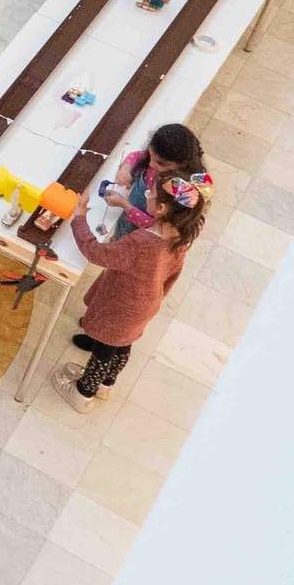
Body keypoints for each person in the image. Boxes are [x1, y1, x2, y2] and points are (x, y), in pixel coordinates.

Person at [35, 165, 208, 399]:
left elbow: (95, 252)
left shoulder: (141, 242)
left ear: (161, 208)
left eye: (150, 194)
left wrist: (79, 219)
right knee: (122, 345)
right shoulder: (180, 238)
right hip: (145, 305)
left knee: (105, 352)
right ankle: (106, 384)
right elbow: (170, 278)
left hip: (120, 307)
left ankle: (83, 392)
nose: (147, 194)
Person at [115, 123, 206, 233]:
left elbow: (155, 226)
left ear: (182, 164)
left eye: (161, 163)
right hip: (130, 214)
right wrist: (125, 168)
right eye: (150, 155)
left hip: (141, 231)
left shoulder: (181, 192)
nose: (151, 165)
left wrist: (125, 206)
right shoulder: (158, 158)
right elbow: (136, 156)